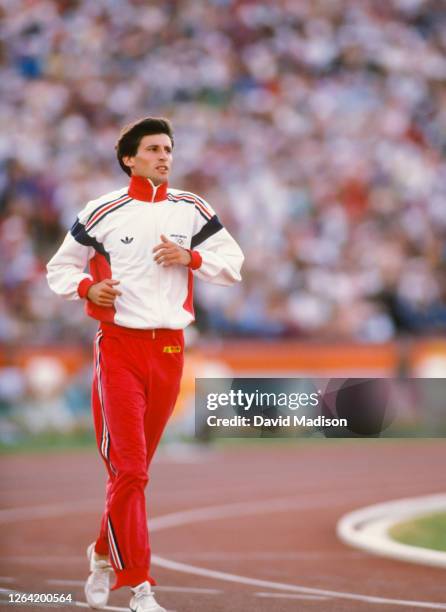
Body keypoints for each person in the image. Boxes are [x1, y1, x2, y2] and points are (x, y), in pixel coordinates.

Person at [46, 117, 244, 612]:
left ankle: (99, 554)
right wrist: (88, 288)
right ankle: (140, 586)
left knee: (132, 474)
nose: (164, 156)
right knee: (130, 470)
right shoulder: (102, 210)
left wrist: (190, 258)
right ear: (129, 158)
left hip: (172, 351)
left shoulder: (192, 208)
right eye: (153, 149)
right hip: (119, 349)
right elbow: (59, 267)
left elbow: (234, 263)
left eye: (169, 149)